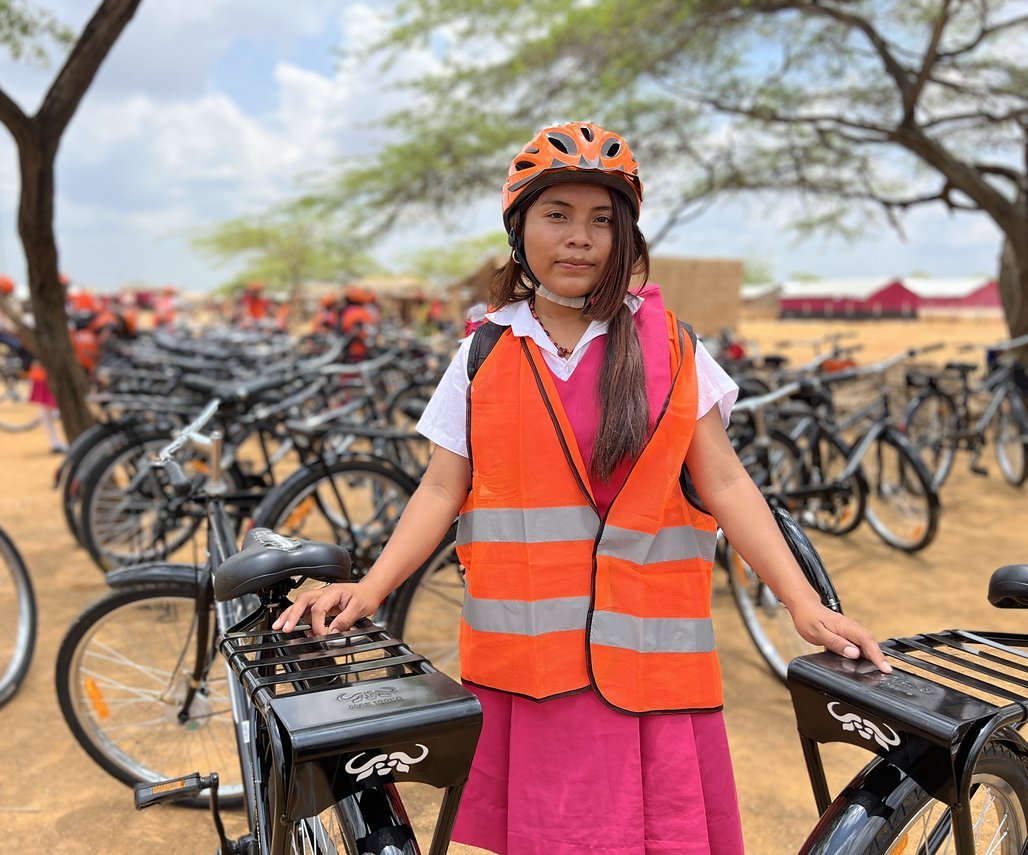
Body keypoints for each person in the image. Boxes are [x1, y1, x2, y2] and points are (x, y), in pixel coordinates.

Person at [272, 122, 891, 854]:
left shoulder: (671, 348)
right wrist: (370, 588)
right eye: (557, 215)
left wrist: (803, 602)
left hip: (651, 677)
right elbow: (441, 490)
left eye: (602, 219)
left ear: (625, 236)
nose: (580, 238)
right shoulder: (483, 353)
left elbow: (725, 481)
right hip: (531, 678)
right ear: (520, 229)